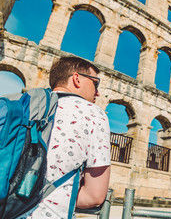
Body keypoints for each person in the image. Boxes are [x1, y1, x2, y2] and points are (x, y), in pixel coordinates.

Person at [19, 56, 111, 218]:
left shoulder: (22, 104)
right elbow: (94, 196)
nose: (98, 92)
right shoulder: (93, 113)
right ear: (77, 79)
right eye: (96, 83)